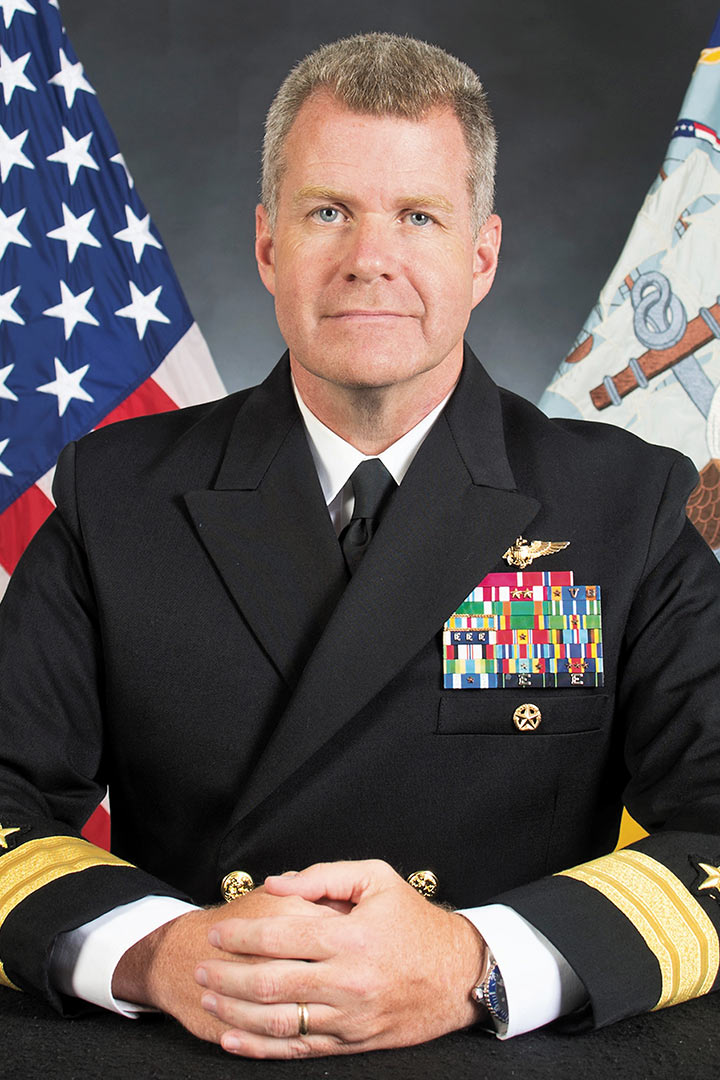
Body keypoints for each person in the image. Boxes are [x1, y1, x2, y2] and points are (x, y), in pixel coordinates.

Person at [1, 32, 719, 1061]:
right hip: (191, 1047)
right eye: (327, 211)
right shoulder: (117, 495)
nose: (369, 258)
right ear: (268, 246)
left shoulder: (624, 507)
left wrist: (477, 962)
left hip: (500, 1055)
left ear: (482, 256)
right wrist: (153, 953)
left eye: (418, 216)